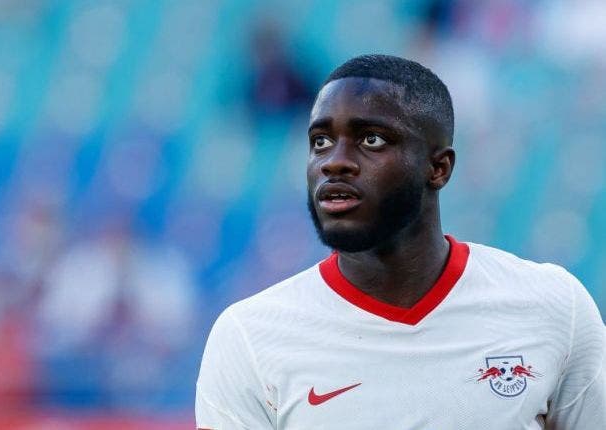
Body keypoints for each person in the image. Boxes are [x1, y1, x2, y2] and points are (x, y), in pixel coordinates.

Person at [195, 54, 604, 429]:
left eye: (371, 139)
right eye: (320, 140)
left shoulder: (553, 306)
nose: (333, 160)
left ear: (438, 168)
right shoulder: (249, 337)